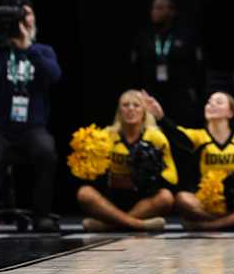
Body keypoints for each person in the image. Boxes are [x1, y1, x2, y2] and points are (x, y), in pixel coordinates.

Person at [0, 0, 61, 232]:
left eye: (27, 14)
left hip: (31, 129)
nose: (23, 20)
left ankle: (41, 214)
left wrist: (27, 48)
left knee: (46, 149)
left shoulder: (42, 50)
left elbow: (54, 76)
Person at [143, 90, 234, 230]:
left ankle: (210, 225)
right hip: (207, 203)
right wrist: (161, 118)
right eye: (209, 102)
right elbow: (178, 135)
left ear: (231, 113)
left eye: (218, 102)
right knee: (182, 199)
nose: (211, 104)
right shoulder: (200, 136)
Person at [76, 90, 178, 232]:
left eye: (136, 105)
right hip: (112, 198)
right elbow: (91, 173)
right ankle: (138, 224)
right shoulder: (107, 135)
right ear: (119, 110)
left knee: (166, 197)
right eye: (126, 105)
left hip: (143, 198)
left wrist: (151, 177)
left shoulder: (156, 137)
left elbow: (172, 176)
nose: (131, 109)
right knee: (84, 193)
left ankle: (109, 225)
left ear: (144, 111)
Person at [132, 0, 202, 127]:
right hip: (152, 92)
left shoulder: (186, 35)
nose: (154, 12)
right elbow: (136, 67)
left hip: (180, 94)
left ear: (171, 11)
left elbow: (197, 67)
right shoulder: (145, 36)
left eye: (159, 8)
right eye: (153, 8)